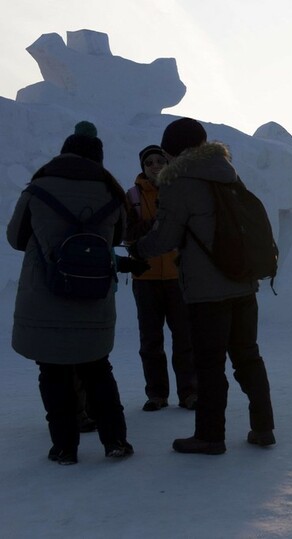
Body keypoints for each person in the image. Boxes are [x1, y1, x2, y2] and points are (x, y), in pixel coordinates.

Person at [130, 118, 276, 454]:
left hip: (207, 291)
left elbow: (165, 236)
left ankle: (210, 435)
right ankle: (263, 427)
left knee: (209, 365)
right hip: (242, 282)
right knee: (248, 357)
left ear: (175, 149)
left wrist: (137, 248)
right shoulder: (227, 174)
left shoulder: (179, 181)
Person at [6, 121, 139, 464]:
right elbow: (117, 239)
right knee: (98, 369)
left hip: (45, 295)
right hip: (93, 296)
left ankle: (64, 448)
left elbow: (16, 239)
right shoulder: (112, 192)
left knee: (53, 373)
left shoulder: (38, 188)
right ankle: (116, 441)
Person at [124, 145, 197, 412]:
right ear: (142, 167)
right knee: (151, 340)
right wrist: (159, 222)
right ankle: (157, 394)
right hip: (146, 277)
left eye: (159, 161)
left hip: (178, 275)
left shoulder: (180, 191)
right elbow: (126, 232)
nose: (155, 166)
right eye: (149, 162)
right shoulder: (132, 196)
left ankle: (189, 392)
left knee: (185, 338)